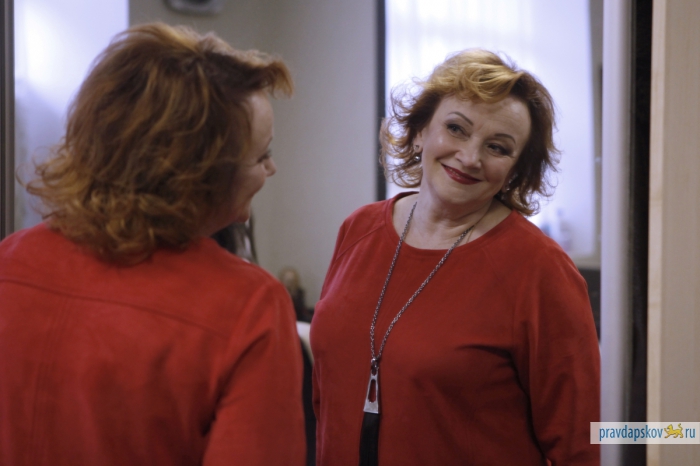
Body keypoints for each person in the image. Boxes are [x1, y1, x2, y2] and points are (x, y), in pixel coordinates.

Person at [0, 23, 306, 466]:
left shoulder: (10, 261)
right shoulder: (249, 308)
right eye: (262, 156)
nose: (271, 170)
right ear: (200, 173)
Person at [310, 49, 600, 465]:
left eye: (497, 147)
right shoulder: (358, 229)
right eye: (456, 129)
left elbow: (580, 442)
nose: (470, 157)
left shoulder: (540, 268)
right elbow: (326, 391)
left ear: (516, 172)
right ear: (420, 131)